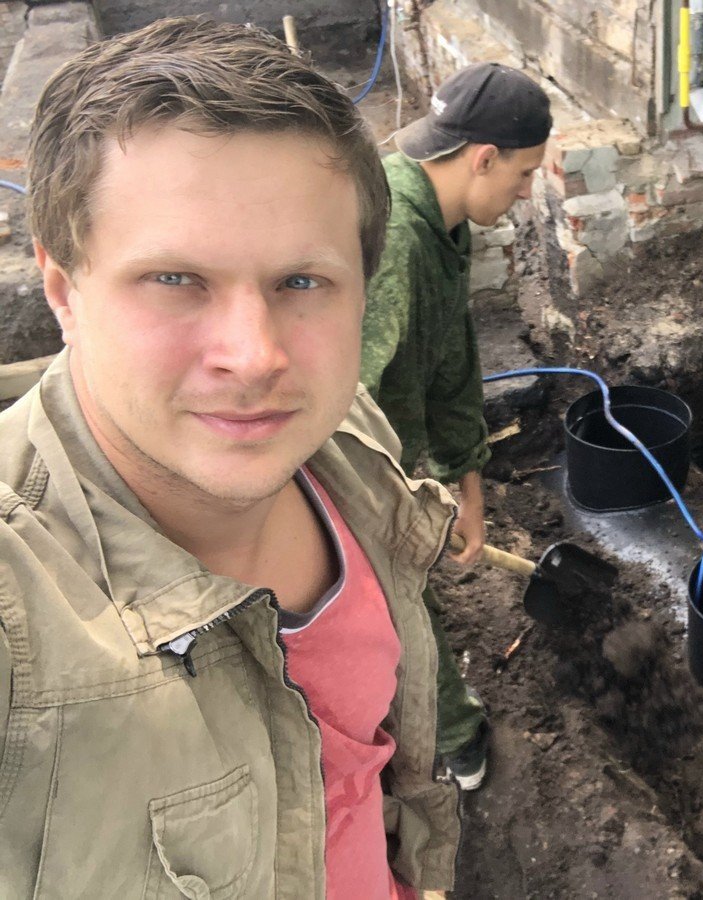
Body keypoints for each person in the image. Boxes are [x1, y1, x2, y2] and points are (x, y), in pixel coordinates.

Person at [0, 18, 459, 899]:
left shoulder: (348, 449)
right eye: (176, 280)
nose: (255, 357)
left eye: (302, 282)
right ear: (64, 291)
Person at [360, 63, 551, 790]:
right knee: (394, 601)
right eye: (524, 174)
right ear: (484, 158)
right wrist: (402, 506)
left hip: (387, 455)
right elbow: (351, 407)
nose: (526, 192)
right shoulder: (395, 242)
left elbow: (450, 365)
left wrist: (466, 487)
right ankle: (455, 741)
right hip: (343, 467)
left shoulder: (444, 221)